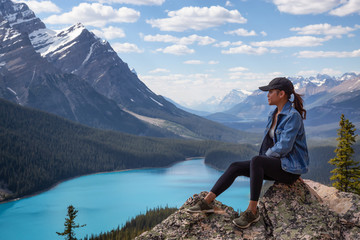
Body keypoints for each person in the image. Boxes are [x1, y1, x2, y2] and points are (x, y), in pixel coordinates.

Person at [187, 77, 310, 229]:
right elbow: (269, 144)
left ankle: (252, 211)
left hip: (290, 169)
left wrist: (262, 160)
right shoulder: (273, 114)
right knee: (235, 166)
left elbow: (284, 147)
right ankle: (207, 202)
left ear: (281, 94)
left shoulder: (292, 116)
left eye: (271, 92)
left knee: (257, 161)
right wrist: (262, 161)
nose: (267, 95)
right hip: (278, 165)